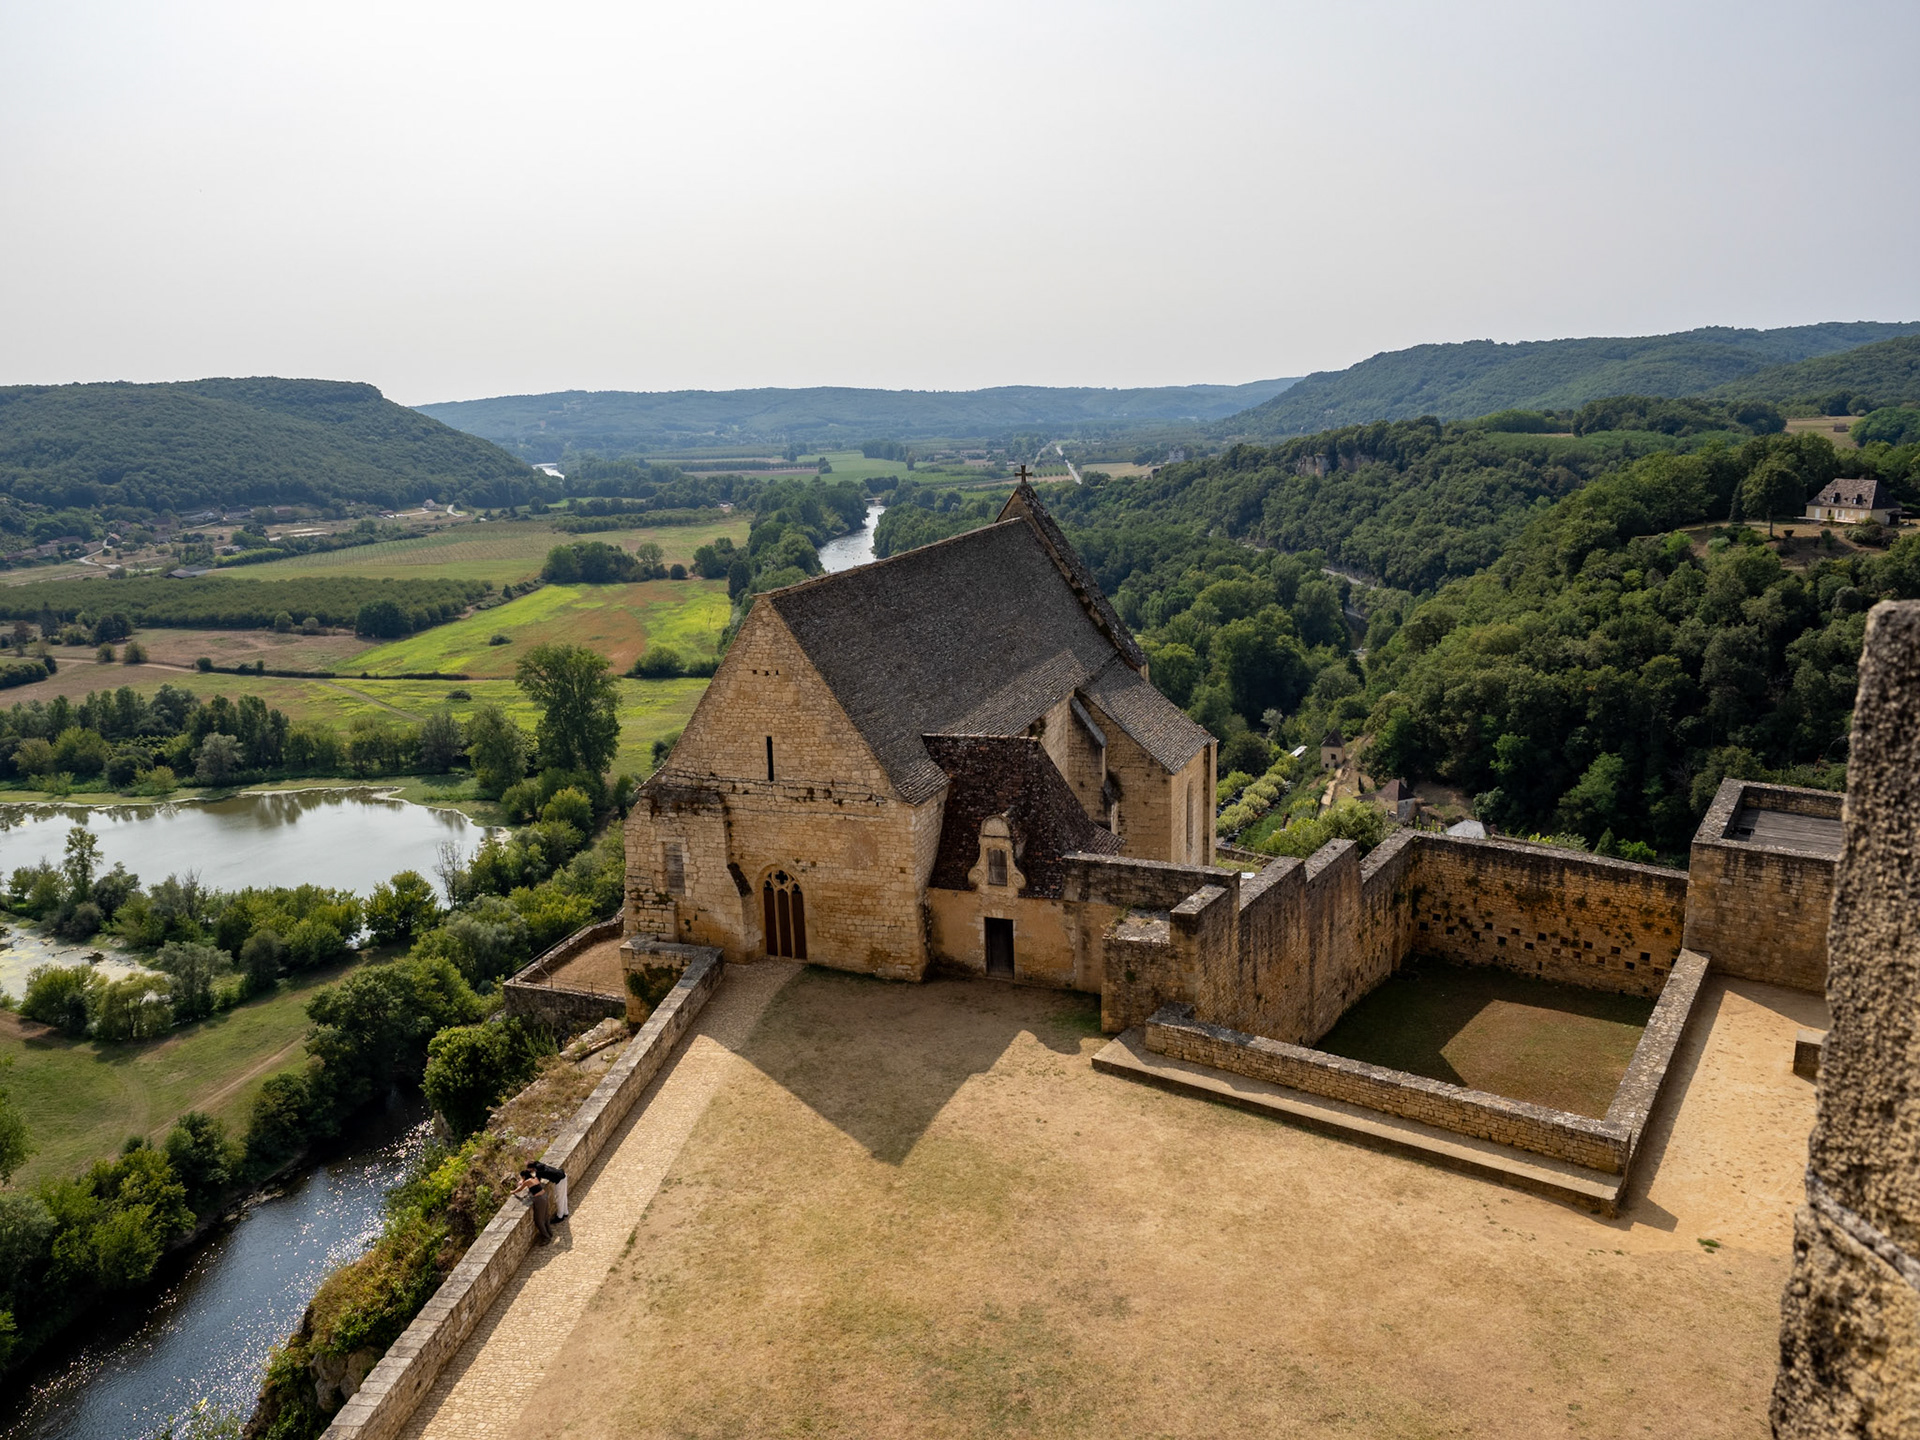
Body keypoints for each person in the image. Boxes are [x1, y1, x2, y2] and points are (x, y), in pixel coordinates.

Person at [511, 1168, 553, 1243]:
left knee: (539, 1220)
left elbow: (520, 1189)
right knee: (545, 1216)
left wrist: (513, 1192)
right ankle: (550, 1232)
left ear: (523, 1176)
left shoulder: (527, 1181)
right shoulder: (535, 1178)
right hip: (544, 1196)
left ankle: (546, 1238)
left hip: (539, 1199)